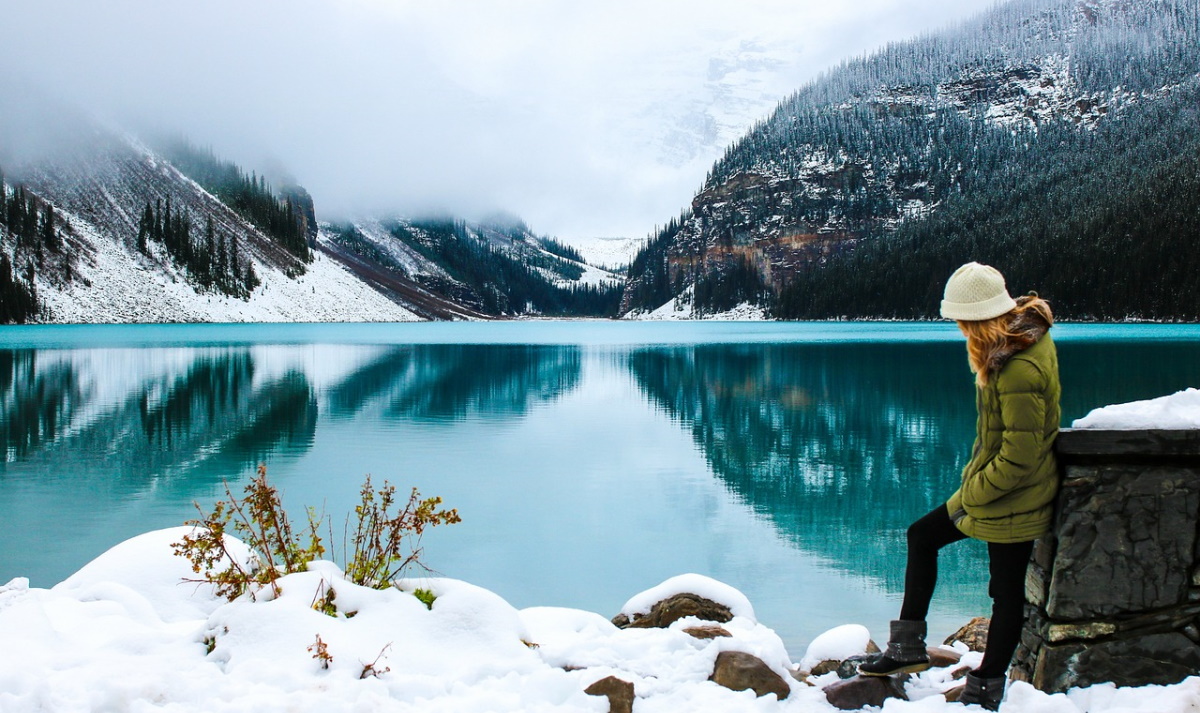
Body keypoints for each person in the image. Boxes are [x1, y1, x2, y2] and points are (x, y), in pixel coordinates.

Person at [858, 262, 1060, 711]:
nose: (959, 329)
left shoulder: (1019, 368)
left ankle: (986, 686)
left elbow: (1020, 455)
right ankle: (907, 648)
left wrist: (972, 493)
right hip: (994, 488)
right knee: (922, 535)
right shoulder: (1014, 344)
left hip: (1015, 495)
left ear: (980, 317)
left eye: (962, 321)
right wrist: (974, 486)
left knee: (1005, 593)